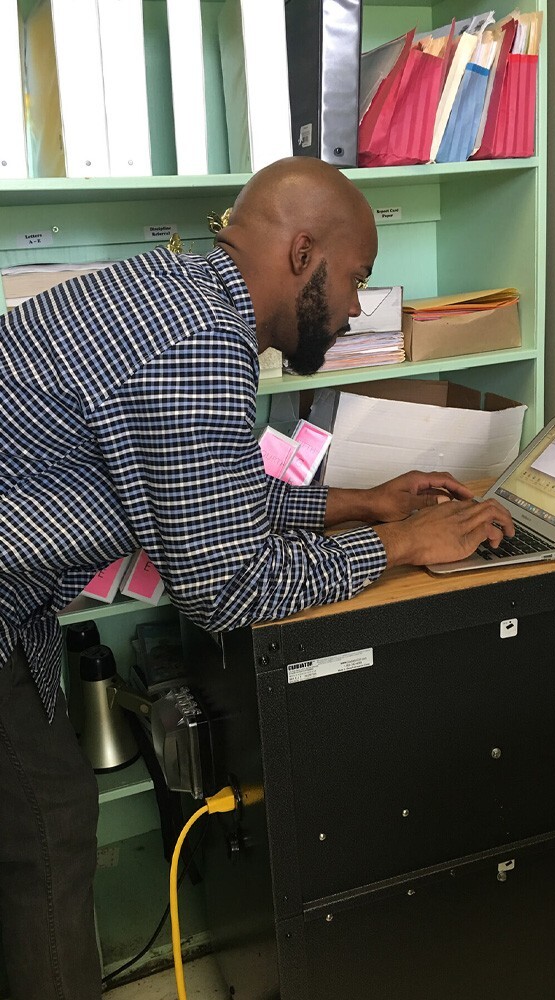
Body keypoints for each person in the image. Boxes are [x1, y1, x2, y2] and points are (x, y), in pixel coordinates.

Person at [0, 155, 513, 999]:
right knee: (47, 834)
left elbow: (207, 492)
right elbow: (230, 587)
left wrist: (362, 502)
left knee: (47, 815)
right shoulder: (204, 342)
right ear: (303, 252)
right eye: (357, 278)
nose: (356, 309)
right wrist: (401, 545)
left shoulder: (174, 293)